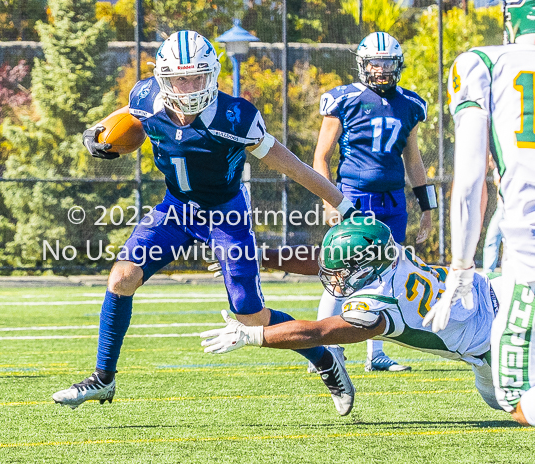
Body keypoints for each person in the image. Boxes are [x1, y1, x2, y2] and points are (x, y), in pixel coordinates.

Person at [52, 30, 358, 409]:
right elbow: (129, 115)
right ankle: (103, 378)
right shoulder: (146, 95)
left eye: (199, 75)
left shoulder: (236, 116)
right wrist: (96, 130)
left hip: (225, 214)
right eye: (181, 77)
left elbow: (290, 165)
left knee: (252, 317)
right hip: (175, 208)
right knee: (121, 277)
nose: (191, 85)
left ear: (213, 73)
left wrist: (341, 203)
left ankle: (325, 360)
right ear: (163, 78)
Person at [200, 219, 503, 417]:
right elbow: (320, 258)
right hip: (494, 287)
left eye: (342, 271)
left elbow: (318, 333)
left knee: (506, 402)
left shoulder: (379, 302)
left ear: (364, 266)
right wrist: (259, 257)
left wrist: (253, 336)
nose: (336, 277)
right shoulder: (388, 252)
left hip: (491, 343)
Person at [422, 1, 535, 427]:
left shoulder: (483, 62)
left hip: (529, 255)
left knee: (514, 397)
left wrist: (461, 270)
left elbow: (470, 183)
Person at [312, 32, 438, 373]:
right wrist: (329, 200)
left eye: (387, 63)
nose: (380, 70)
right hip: (352, 196)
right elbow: (321, 156)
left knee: (387, 274)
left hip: (393, 200)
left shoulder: (410, 104)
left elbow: (413, 162)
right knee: (341, 272)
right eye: (374, 63)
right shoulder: (343, 99)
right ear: (362, 64)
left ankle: (376, 354)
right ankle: (327, 349)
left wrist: (428, 209)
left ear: (397, 65)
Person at [482, 160, 504, 274]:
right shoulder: (496, 170)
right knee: (491, 239)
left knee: (505, 242)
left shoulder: (504, 164)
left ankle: (508, 273)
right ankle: (488, 273)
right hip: (501, 208)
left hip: (506, 209)